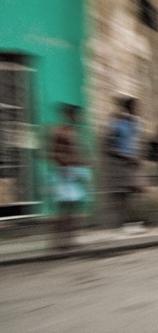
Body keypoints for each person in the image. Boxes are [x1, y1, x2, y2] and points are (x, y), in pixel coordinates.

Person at [49, 104, 90, 250]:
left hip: (74, 171)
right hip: (65, 172)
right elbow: (55, 153)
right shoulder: (60, 132)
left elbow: (74, 153)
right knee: (64, 207)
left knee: (73, 207)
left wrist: (82, 163)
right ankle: (58, 240)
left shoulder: (74, 132)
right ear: (67, 115)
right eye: (73, 115)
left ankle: (69, 239)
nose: (75, 118)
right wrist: (64, 164)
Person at [106, 96, 146, 233]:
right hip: (121, 162)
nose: (137, 109)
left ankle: (133, 220)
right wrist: (126, 157)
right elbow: (108, 148)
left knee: (136, 190)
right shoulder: (116, 123)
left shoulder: (136, 123)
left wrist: (138, 157)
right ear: (128, 107)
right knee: (125, 193)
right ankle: (127, 223)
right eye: (134, 107)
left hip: (133, 162)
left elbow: (137, 142)